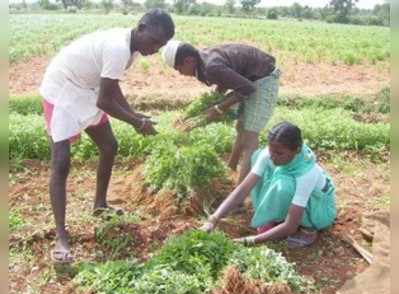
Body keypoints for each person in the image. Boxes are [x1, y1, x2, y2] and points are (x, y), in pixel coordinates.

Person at [39, 9, 175, 263]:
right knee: (61, 162)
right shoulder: (118, 48)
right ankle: (61, 236)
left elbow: (111, 87)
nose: (156, 49)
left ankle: (99, 205)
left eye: (161, 45)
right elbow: (105, 100)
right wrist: (136, 122)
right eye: (154, 41)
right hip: (62, 89)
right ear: (141, 27)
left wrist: (135, 114)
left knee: (109, 145)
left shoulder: (131, 49)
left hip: (86, 90)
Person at [200, 122, 337, 247]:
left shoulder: (307, 173)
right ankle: (275, 215)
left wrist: (251, 240)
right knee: (258, 157)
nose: (273, 157)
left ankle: (309, 230)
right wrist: (213, 219)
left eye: (279, 153)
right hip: (294, 198)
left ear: (296, 150)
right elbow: (243, 189)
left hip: (317, 210)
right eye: (272, 151)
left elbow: (290, 226)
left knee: (284, 185)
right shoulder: (270, 154)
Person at [162, 41, 280, 184]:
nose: (180, 73)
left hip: (263, 79)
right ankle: (231, 168)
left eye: (178, 68)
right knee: (241, 127)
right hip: (250, 79)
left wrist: (218, 108)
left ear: (189, 60)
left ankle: (239, 194)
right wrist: (209, 104)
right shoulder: (203, 60)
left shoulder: (211, 66)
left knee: (250, 136)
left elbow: (247, 89)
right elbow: (224, 79)